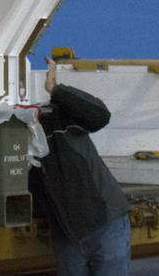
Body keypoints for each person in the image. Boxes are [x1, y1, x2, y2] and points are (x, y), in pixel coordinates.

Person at [29, 57, 131, 275]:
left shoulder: (59, 117)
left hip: (106, 224)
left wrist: (56, 90)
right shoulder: (13, 139)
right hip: (68, 235)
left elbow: (100, 115)